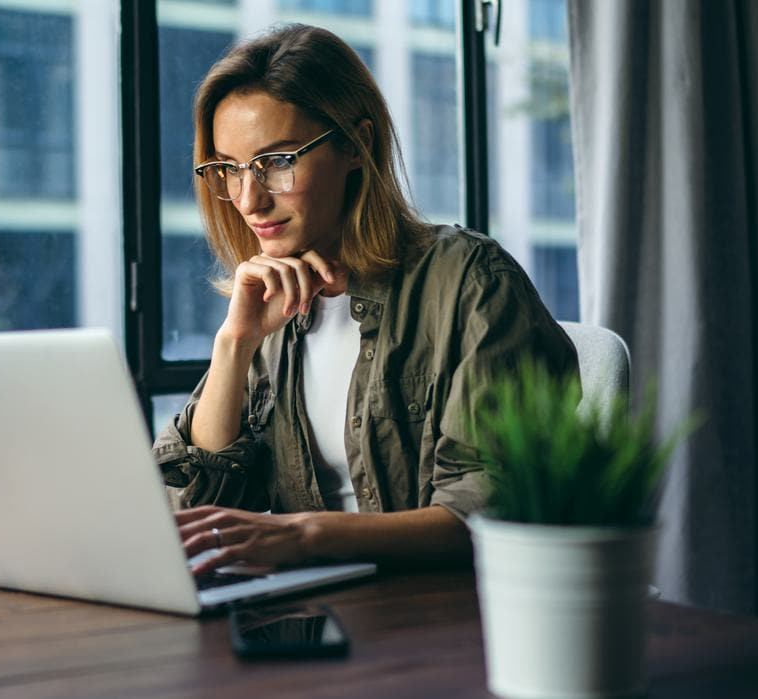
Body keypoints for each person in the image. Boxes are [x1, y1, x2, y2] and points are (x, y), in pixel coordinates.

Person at [152, 23, 579, 577]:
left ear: (357, 145)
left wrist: (305, 535)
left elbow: (488, 514)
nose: (248, 199)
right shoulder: (272, 304)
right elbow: (191, 513)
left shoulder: (470, 282)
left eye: (277, 162)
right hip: (311, 613)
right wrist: (234, 344)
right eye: (229, 169)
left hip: (437, 619)